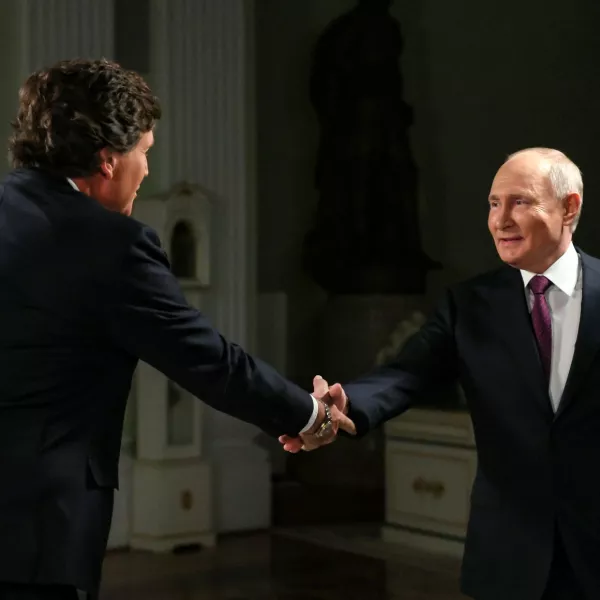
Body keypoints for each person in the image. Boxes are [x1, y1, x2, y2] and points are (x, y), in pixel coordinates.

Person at [0, 58, 355, 600]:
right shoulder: (112, 246)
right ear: (108, 160)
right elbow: (209, 362)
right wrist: (310, 416)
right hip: (37, 531)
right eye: (144, 153)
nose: (146, 172)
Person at [282, 147, 596, 600]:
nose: (500, 220)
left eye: (520, 202)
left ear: (569, 207)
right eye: (493, 203)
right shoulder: (469, 305)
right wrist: (347, 403)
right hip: (508, 556)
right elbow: (406, 374)